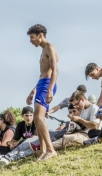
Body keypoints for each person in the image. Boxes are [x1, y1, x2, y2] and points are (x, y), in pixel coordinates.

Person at [25, 24, 59, 161]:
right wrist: (33, 91)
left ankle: (51, 150)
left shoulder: (50, 48)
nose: (31, 41)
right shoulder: (43, 50)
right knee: (38, 120)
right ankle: (43, 151)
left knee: (38, 117)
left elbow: (54, 71)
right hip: (41, 84)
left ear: (40, 35)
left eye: (32, 37)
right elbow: (43, 73)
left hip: (46, 85)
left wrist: (50, 89)